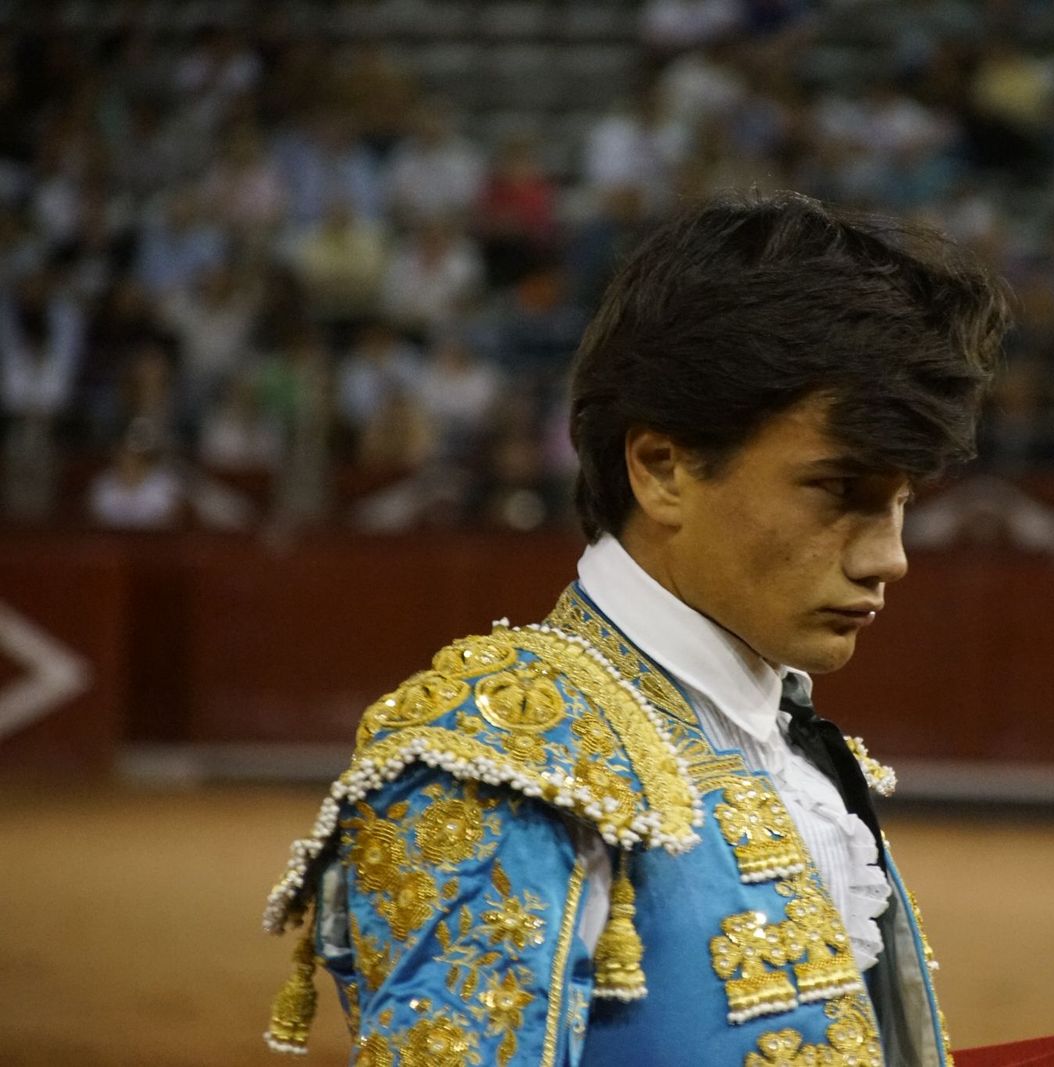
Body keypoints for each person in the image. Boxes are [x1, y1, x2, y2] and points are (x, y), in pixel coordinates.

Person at [262, 191, 1010, 1066]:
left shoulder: (792, 745)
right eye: (839, 490)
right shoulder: (507, 761)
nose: (891, 557)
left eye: (902, 500)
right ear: (662, 469)